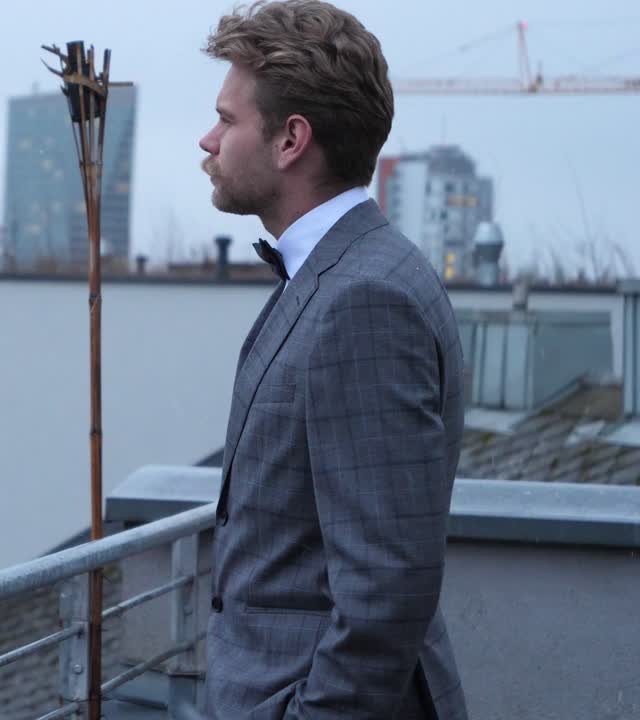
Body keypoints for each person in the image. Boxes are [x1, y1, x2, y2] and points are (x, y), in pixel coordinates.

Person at [197, 2, 468, 718]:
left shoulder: (365, 300)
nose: (207, 139)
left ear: (291, 139)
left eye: (227, 120)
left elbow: (388, 588)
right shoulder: (349, 271)